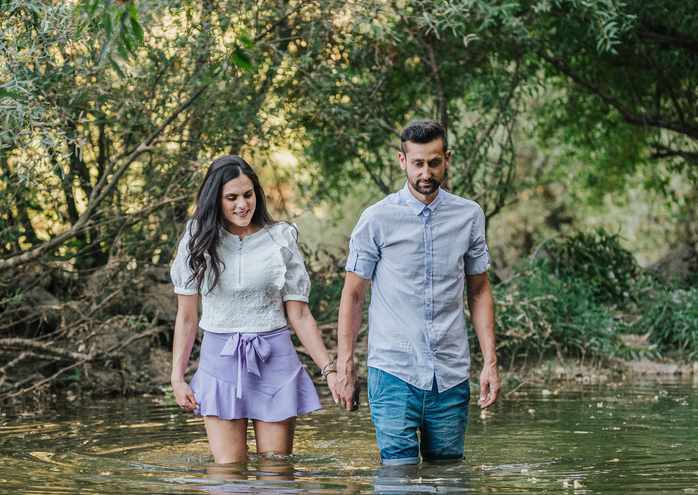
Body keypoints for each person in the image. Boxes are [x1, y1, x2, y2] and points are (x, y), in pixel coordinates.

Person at [330, 120, 499, 465]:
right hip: (393, 371)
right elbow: (353, 295)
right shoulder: (376, 219)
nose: (426, 173)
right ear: (402, 160)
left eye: (434, 163)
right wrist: (345, 365)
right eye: (418, 163)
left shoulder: (468, 216)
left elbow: (479, 291)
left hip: (450, 372)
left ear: (447, 159)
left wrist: (490, 363)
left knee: (449, 481)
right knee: (396, 478)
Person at [170, 155, 339, 463]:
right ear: (215, 199)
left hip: (274, 359)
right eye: (231, 197)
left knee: (276, 474)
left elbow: (299, 314)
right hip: (219, 363)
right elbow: (187, 316)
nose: (242, 205)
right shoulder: (196, 240)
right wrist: (177, 377)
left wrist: (330, 370)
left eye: (248, 195)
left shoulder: (281, 238)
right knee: (228, 474)